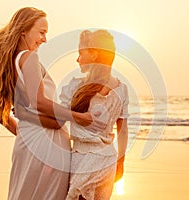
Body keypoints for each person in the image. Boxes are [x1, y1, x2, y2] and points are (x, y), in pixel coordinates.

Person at [0, 7, 105, 200]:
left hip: (27, 142)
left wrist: (27, 124)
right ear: (24, 30)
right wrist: (79, 117)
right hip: (48, 145)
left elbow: (3, 116)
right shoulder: (29, 57)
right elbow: (39, 101)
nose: (45, 39)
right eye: (42, 32)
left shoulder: (9, 63)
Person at [59, 29, 129, 200]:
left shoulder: (75, 87)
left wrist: (30, 114)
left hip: (83, 159)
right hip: (108, 161)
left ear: (95, 54)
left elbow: (57, 120)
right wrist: (121, 160)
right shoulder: (121, 89)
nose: (78, 58)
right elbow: (123, 130)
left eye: (81, 53)